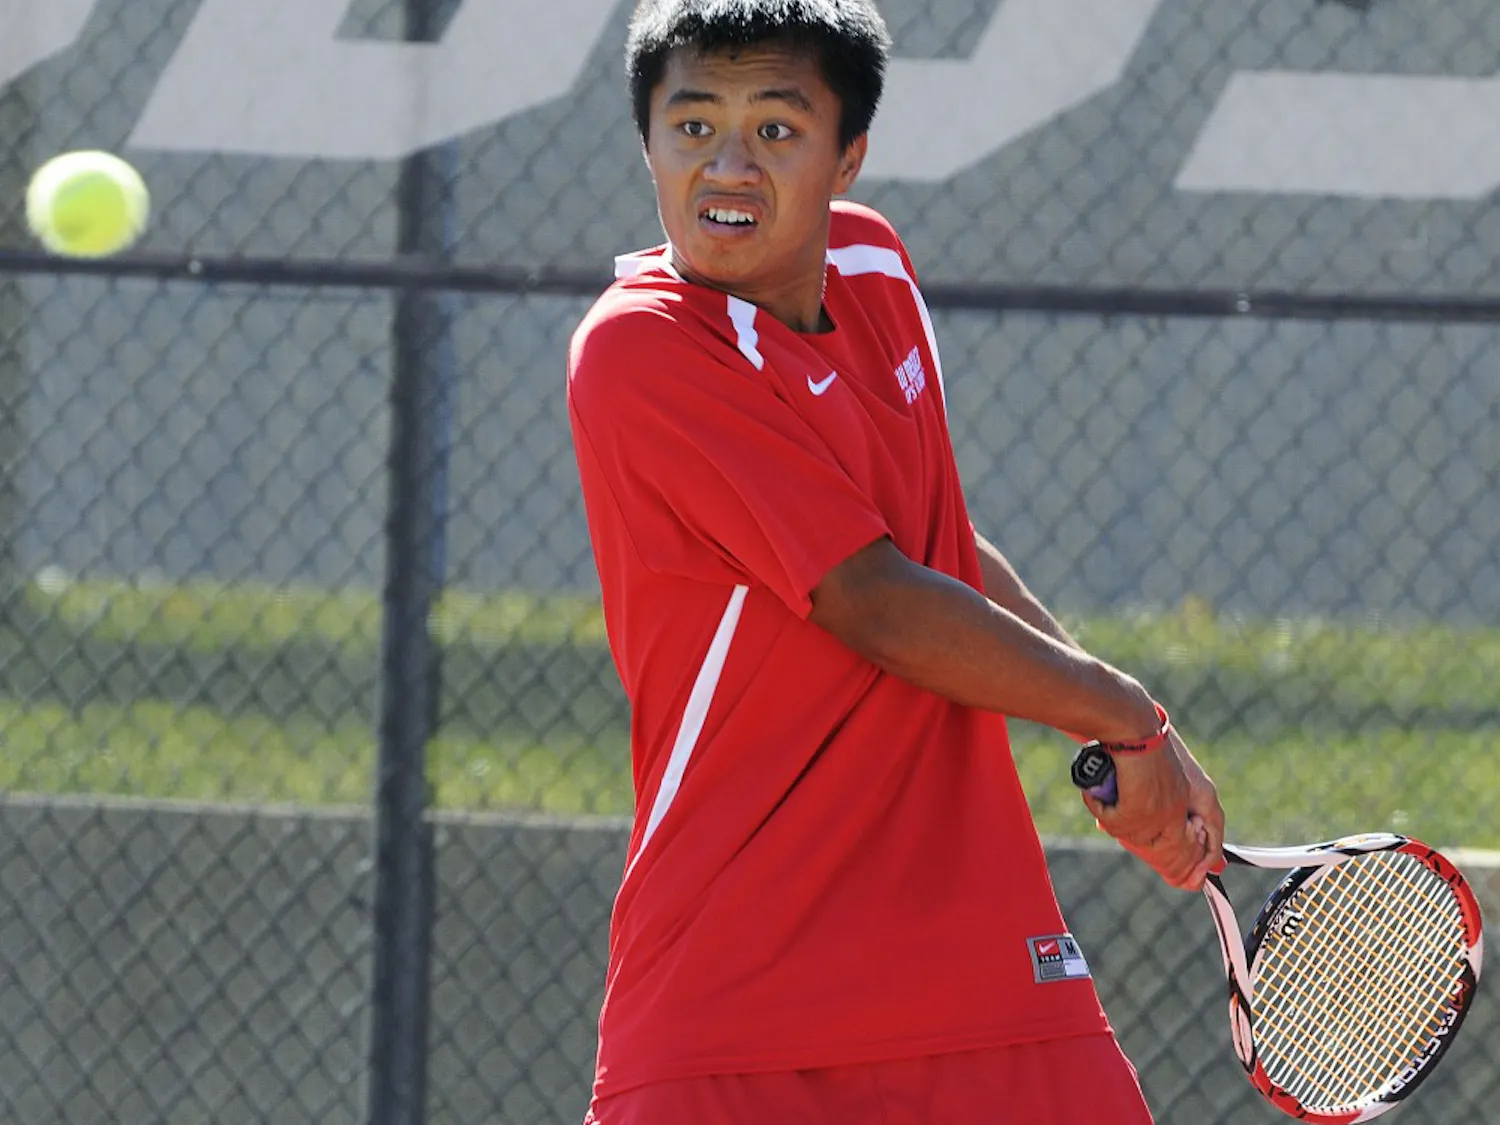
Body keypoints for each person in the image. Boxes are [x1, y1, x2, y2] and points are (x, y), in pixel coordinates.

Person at [565, 1, 1226, 1121]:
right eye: (691, 127)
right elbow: (867, 595)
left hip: (986, 979)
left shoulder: (873, 266)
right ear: (648, 144)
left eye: (776, 130)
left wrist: (1106, 720)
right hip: (735, 1007)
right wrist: (1124, 715)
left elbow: (930, 539)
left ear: (847, 155)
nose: (726, 163)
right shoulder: (638, 350)